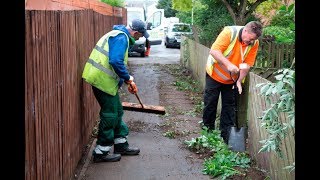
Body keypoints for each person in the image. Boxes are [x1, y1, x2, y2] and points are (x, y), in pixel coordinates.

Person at [82, 19, 149, 162]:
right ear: (136, 32)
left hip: (103, 80)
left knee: (117, 111)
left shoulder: (118, 34)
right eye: (141, 35)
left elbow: (116, 62)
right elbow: (115, 61)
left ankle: (121, 145)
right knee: (110, 115)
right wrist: (128, 79)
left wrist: (126, 80)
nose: (141, 38)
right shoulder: (121, 37)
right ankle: (101, 152)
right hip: (102, 81)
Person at [203, 21, 263, 144]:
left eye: (253, 40)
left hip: (232, 80)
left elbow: (247, 64)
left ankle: (226, 138)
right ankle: (207, 133)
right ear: (245, 31)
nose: (250, 42)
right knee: (210, 103)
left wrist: (239, 81)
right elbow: (214, 51)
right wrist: (229, 65)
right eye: (250, 39)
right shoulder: (229, 33)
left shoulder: (254, 43)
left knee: (229, 108)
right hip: (214, 75)